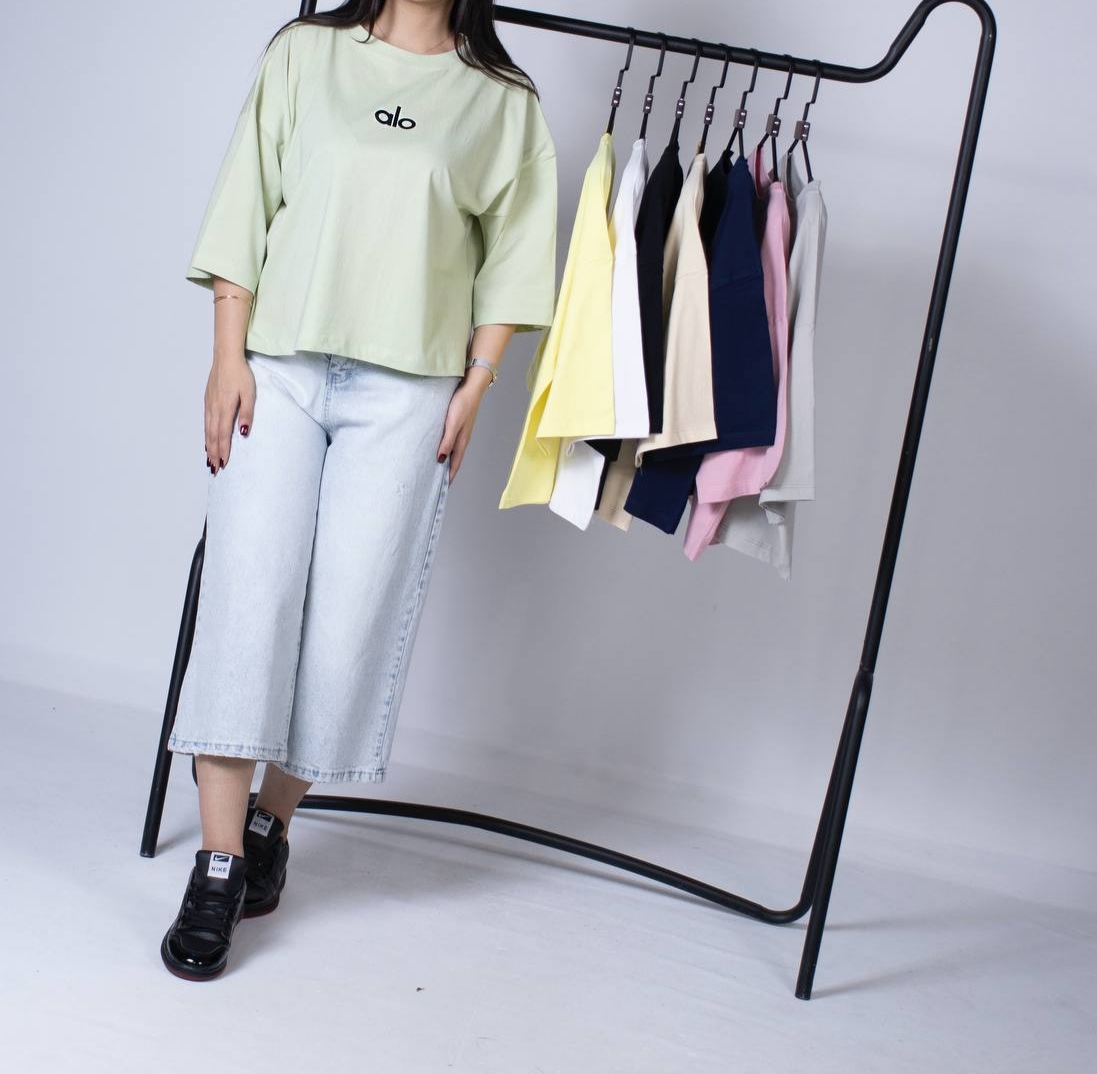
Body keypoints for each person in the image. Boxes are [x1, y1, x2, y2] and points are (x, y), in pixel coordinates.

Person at [160, 0, 558, 981]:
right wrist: (225, 355)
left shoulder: (500, 100)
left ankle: (271, 823)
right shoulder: (306, 55)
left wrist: (477, 384)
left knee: (350, 619)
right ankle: (217, 868)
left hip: (409, 393)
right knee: (248, 601)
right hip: (280, 369)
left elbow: (515, 255)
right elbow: (246, 202)